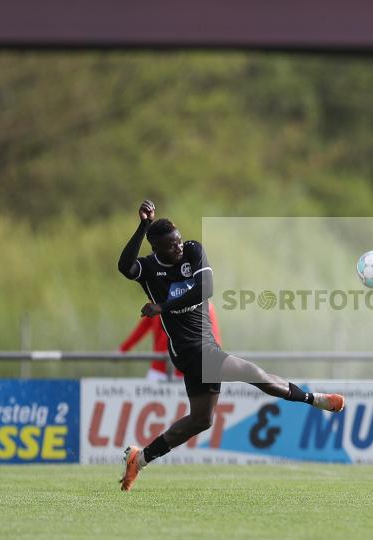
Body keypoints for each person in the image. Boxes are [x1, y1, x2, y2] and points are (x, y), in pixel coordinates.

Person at [117, 200, 345, 491]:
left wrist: (163, 305)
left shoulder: (193, 251)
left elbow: (205, 289)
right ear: (156, 249)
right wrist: (143, 226)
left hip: (205, 346)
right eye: (171, 246)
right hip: (190, 351)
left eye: (178, 240)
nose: (179, 247)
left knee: (201, 420)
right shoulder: (149, 268)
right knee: (253, 373)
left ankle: (141, 458)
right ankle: (314, 399)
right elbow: (125, 266)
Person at [119, 303, 222, 382]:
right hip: (158, 368)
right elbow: (143, 327)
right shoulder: (157, 302)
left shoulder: (202, 304)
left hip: (187, 372)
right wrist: (123, 349)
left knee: (187, 408)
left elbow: (213, 339)